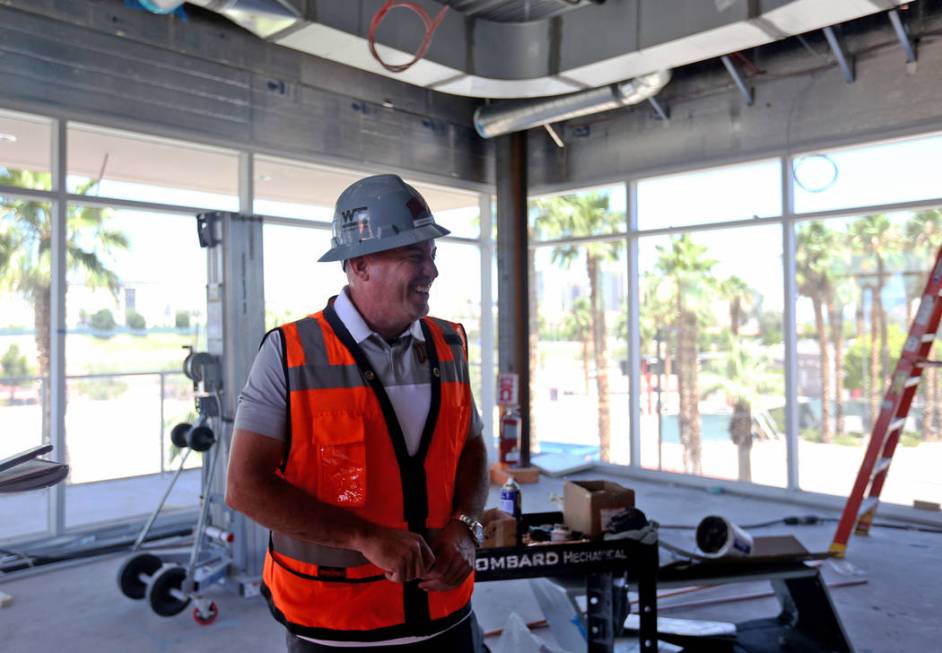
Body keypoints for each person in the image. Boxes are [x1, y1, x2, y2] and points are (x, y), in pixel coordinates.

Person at [226, 174, 489, 652]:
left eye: (431, 255)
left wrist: (467, 528)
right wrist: (366, 537)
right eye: (414, 256)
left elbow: (471, 447)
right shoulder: (289, 353)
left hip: (446, 618)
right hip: (335, 628)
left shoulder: (449, 344)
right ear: (360, 264)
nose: (431, 271)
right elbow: (246, 488)